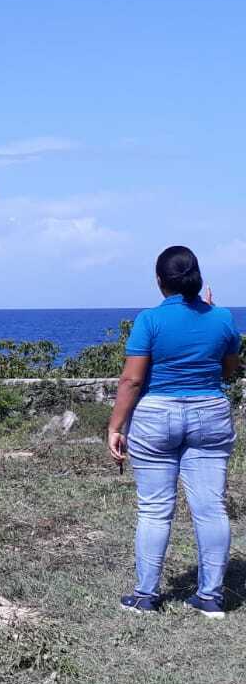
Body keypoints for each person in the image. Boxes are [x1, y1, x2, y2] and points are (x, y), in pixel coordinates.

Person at [107, 246, 241, 616]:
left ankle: (146, 596)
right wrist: (211, 316)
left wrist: (116, 426)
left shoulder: (149, 320)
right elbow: (228, 370)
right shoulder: (223, 318)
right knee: (211, 508)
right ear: (197, 277)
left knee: (154, 509)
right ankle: (211, 597)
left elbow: (132, 380)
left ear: (159, 281)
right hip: (210, 412)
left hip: (156, 415)